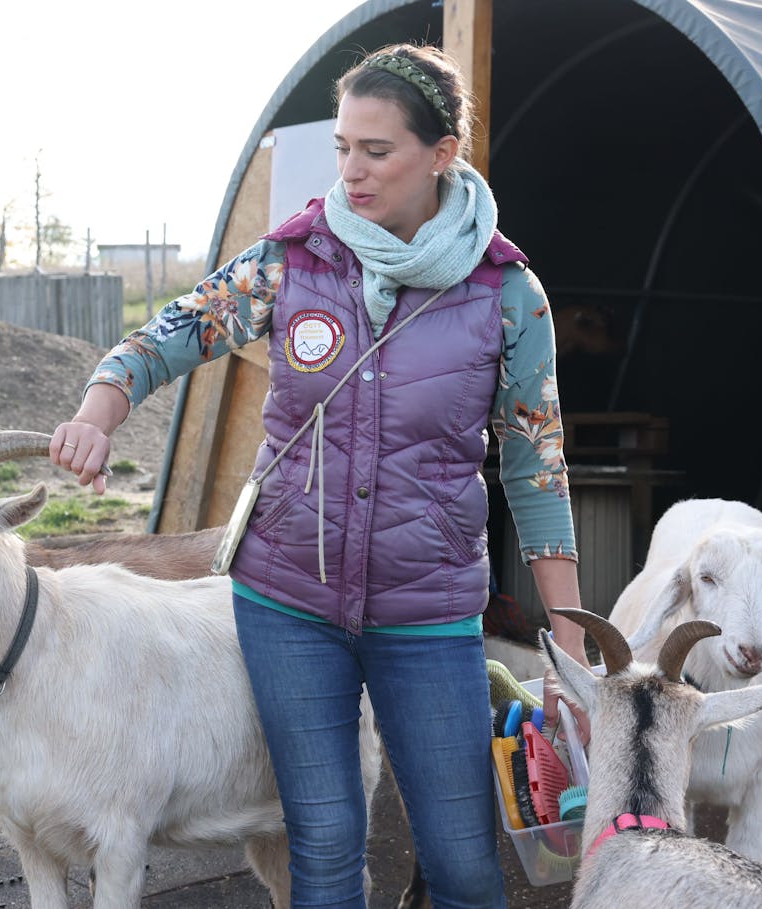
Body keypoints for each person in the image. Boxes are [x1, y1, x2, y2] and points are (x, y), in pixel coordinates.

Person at [50, 44, 588, 908]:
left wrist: (568, 643)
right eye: (343, 147)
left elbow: (539, 463)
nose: (352, 170)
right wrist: (98, 408)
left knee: (462, 863)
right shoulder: (291, 262)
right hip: (288, 601)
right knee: (325, 846)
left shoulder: (506, 293)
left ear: (443, 153)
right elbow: (169, 334)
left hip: (429, 607)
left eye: (377, 151)